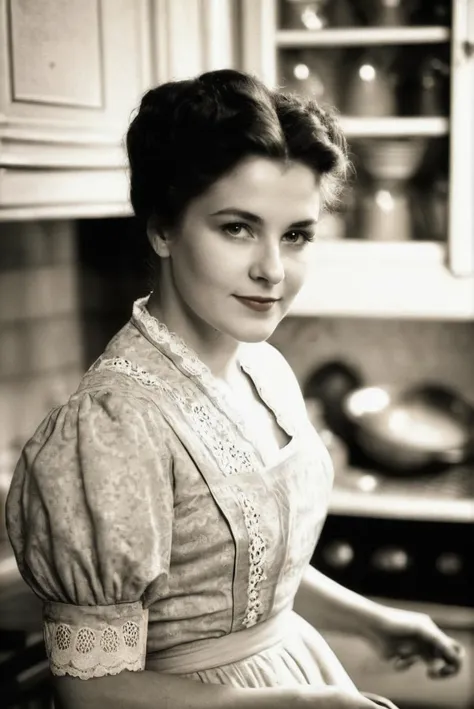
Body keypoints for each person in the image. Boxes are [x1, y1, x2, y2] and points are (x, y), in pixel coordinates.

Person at [6, 69, 463, 709]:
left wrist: (374, 621)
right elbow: (91, 690)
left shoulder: (265, 368)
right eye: (237, 228)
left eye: (296, 234)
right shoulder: (112, 428)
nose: (272, 270)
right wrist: (299, 704)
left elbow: (244, 578)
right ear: (163, 228)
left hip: (300, 675)